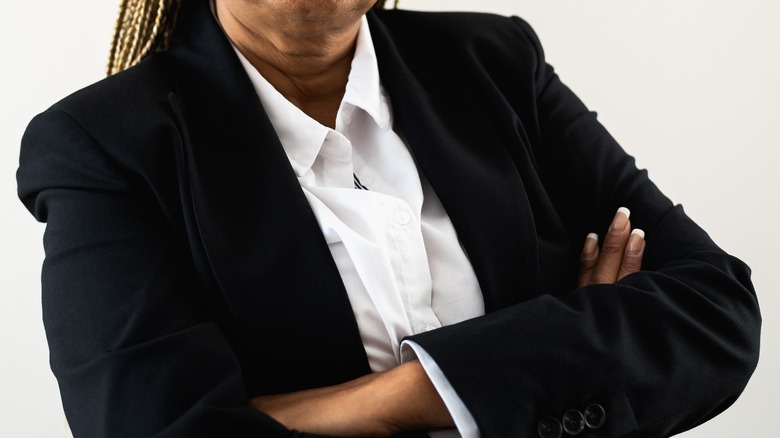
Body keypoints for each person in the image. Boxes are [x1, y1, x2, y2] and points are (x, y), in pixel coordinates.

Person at [16, 0, 761, 437]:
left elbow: (715, 310)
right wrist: (569, 339)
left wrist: (399, 396)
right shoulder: (103, 148)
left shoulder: (495, 63)